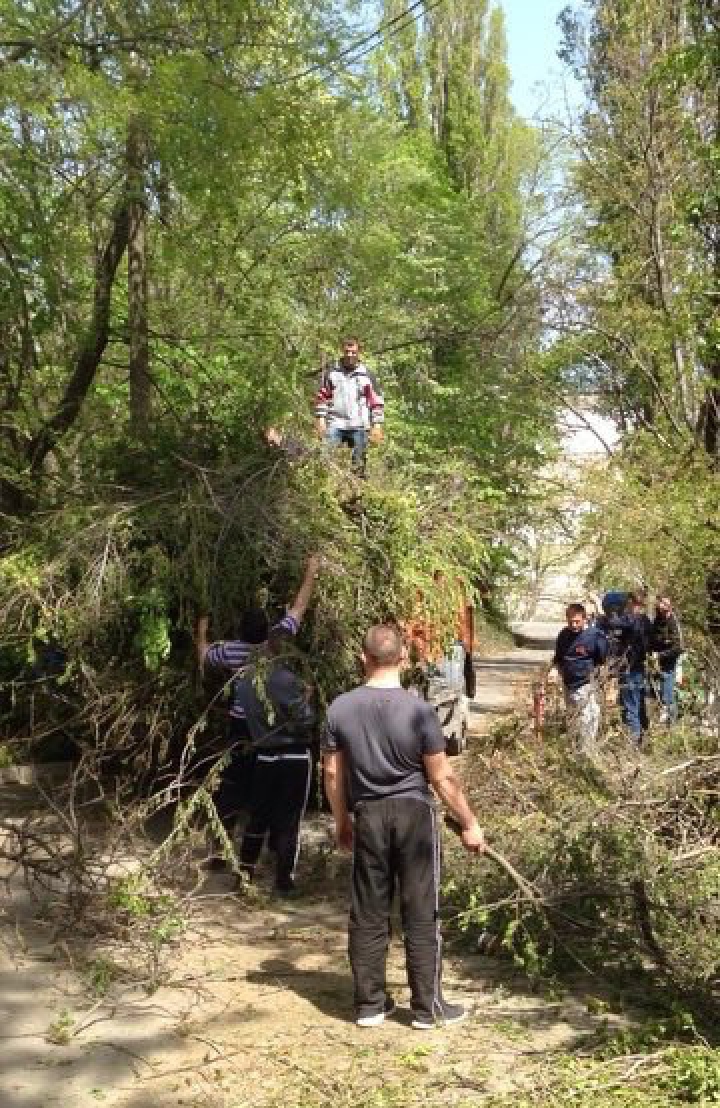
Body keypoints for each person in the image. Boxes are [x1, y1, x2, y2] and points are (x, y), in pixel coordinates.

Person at [322, 624, 485, 1030]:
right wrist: (469, 823)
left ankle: (370, 1005)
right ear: (404, 658)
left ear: (363, 658)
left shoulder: (339, 708)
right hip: (415, 816)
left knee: (368, 909)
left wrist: (342, 821)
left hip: (368, 814)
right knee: (420, 909)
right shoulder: (419, 711)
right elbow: (441, 777)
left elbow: (332, 773)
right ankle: (428, 1008)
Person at [195, 555, 320, 853]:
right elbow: (299, 607)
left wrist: (201, 631)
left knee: (231, 786)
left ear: (240, 631)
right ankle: (275, 845)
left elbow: (203, 655)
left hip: (240, 726)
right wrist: (311, 572)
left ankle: (220, 849)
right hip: (271, 725)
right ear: (268, 630)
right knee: (270, 787)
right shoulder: (275, 645)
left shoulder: (230, 652)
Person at [233, 627, 315, 896]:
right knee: (289, 820)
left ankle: (244, 875)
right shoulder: (288, 680)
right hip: (293, 756)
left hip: (264, 755)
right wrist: (306, 698)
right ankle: (284, 882)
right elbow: (305, 719)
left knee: (257, 816)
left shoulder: (245, 681)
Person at [314, 337, 384, 471]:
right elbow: (322, 397)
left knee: (359, 465)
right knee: (325, 461)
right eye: (347, 351)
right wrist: (321, 420)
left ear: (359, 352)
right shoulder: (332, 372)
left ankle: (358, 483)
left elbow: (376, 402)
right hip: (335, 423)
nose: (350, 355)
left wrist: (377, 425)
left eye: (353, 352)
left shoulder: (366, 375)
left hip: (359, 425)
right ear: (342, 351)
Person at [547, 603, 608, 757]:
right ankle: (574, 752)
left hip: (586, 683)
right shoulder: (563, 635)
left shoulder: (594, 635)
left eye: (577, 622)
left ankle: (587, 754)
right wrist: (554, 670)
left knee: (588, 718)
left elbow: (602, 660)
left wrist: (600, 679)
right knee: (573, 717)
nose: (574, 625)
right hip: (568, 683)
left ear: (584, 619)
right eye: (570, 622)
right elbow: (558, 658)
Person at [650, 594, 683, 724]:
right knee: (654, 692)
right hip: (656, 662)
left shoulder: (673, 622)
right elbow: (653, 639)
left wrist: (660, 655)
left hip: (669, 662)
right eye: (661, 603)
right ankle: (662, 721)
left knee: (667, 695)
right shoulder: (658, 620)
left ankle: (672, 725)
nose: (662, 606)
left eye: (665, 604)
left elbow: (678, 647)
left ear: (670, 606)